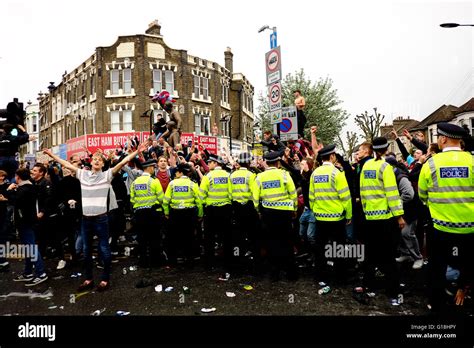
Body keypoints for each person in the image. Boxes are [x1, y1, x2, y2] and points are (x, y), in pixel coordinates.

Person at [42, 142, 148, 292]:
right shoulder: (82, 174)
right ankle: (88, 279)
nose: (97, 161)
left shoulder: (107, 176)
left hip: (101, 219)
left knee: (104, 249)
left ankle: (105, 279)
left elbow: (123, 162)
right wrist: (52, 155)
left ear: (103, 163)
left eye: (100, 159)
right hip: (86, 219)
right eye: (95, 159)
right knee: (86, 251)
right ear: (91, 162)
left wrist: (137, 151)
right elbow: (66, 164)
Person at [418, 122, 474, 312]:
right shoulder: (472, 161)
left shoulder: (431, 164)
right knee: (468, 261)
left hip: (440, 227)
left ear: (442, 139)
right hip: (469, 226)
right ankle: (463, 292)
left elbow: (422, 194)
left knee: (437, 265)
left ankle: (436, 303)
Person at [359, 137, 405, 305]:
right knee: (388, 255)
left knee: (370, 254)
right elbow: (392, 193)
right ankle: (392, 291)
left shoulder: (366, 166)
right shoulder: (386, 167)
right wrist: (399, 215)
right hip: (385, 218)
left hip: (369, 217)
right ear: (386, 149)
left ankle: (369, 286)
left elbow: (362, 191)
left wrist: (366, 210)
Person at [309, 145, 352, 284]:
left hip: (320, 217)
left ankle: (320, 276)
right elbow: (346, 197)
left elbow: (311, 197)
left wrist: (316, 210)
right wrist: (349, 215)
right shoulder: (337, 173)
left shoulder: (315, 173)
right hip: (337, 218)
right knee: (338, 248)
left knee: (320, 248)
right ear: (332, 156)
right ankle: (340, 278)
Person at [252, 151, 298, 282]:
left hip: (268, 213)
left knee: (272, 243)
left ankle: (274, 274)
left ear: (266, 162)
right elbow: (293, 193)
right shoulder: (284, 175)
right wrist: (294, 208)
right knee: (287, 242)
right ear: (278, 162)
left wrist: (259, 211)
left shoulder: (260, 177)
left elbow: (255, 198)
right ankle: (291, 274)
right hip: (284, 213)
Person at [6, 168, 48, 286]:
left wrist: (9, 191)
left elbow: (15, 200)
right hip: (29, 221)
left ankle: (40, 273)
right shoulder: (29, 187)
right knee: (28, 247)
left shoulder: (24, 189)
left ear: (18, 177)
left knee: (31, 246)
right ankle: (28, 272)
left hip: (25, 222)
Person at [163, 163, 203, 266]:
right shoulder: (192, 184)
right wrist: (200, 214)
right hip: (189, 214)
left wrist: (167, 213)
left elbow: (166, 200)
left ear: (181, 172)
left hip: (175, 213)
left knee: (174, 237)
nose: (175, 173)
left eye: (177, 171)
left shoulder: (172, 184)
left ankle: (173, 261)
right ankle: (189, 260)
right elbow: (199, 201)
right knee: (189, 237)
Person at [199, 155, 232, 273]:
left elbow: (201, 195)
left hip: (211, 211)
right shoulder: (228, 176)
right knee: (226, 238)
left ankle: (209, 265)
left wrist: (203, 207)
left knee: (209, 239)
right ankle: (228, 264)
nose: (208, 164)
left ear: (215, 163)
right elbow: (231, 193)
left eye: (210, 162)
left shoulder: (208, 176)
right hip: (225, 210)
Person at [130, 159, 164, 268]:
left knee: (142, 238)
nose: (154, 169)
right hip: (153, 213)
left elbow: (132, 199)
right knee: (154, 238)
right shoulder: (154, 181)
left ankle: (143, 261)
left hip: (139, 214)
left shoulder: (135, 182)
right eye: (153, 168)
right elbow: (161, 198)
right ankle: (155, 262)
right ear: (149, 168)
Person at [229, 152, 258, 273]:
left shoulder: (232, 175)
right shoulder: (251, 175)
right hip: (249, 209)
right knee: (253, 238)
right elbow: (255, 194)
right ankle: (255, 264)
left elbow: (230, 194)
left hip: (236, 209)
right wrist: (256, 209)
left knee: (237, 238)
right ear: (248, 162)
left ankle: (237, 264)